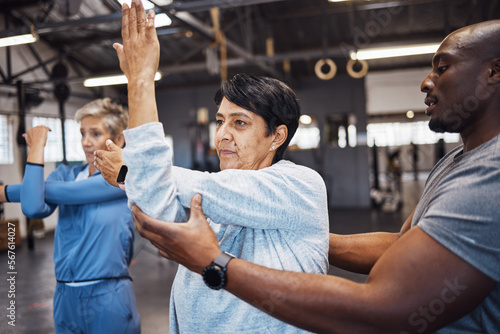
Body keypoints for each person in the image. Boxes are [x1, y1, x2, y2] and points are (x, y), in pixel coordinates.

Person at [131, 19, 500, 333]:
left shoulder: (491, 172)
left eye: (442, 67)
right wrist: (304, 237)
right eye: (220, 122)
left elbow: (385, 308)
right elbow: (403, 244)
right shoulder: (455, 162)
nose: (426, 82)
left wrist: (216, 264)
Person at [94, 1, 329, 333]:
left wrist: (142, 82)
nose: (222, 134)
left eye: (240, 123)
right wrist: (136, 175)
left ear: (277, 136)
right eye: (220, 121)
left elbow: (158, 180)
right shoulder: (213, 197)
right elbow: (154, 213)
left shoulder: (299, 185)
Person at [0, 98, 140, 334]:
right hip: (65, 296)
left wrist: (5, 192)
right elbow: (33, 208)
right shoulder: (64, 174)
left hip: (108, 295)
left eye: (95, 133)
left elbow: (68, 193)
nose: (86, 142)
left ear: (118, 139)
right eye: (83, 133)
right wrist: (37, 148)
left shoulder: (124, 179)